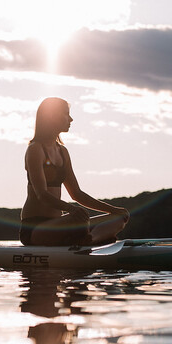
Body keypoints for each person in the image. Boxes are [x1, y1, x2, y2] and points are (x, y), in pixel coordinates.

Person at [20, 97, 129, 246]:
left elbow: (76, 193)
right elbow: (42, 195)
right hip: (35, 228)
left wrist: (114, 210)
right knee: (78, 220)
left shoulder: (63, 152)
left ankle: (88, 240)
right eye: (66, 114)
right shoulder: (35, 149)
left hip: (59, 224)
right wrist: (71, 209)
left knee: (118, 219)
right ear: (51, 116)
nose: (71, 119)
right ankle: (92, 240)